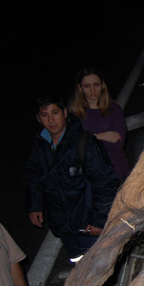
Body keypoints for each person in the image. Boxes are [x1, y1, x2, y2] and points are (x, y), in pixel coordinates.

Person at [27, 96, 118, 262]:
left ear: (65, 112)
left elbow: (105, 184)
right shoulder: (40, 143)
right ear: (38, 118)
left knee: (98, 266)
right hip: (63, 226)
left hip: (88, 226)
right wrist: (35, 205)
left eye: (55, 113)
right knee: (77, 263)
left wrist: (99, 220)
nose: (51, 120)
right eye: (45, 115)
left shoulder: (85, 143)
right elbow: (34, 175)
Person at [69, 67, 131, 183]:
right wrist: (98, 136)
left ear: (102, 85)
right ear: (80, 88)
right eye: (87, 86)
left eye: (96, 85)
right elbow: (72, 145)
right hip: (89, 175)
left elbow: (117, 144)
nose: (92, 90)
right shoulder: (74, 114)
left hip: (117, 171)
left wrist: (85, 140)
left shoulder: (114, 109)